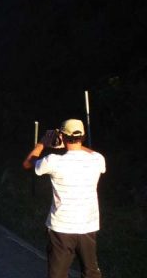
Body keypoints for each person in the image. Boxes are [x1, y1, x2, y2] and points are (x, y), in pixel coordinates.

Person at [22, 119, 106, 278]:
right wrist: (74, 145)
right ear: (83, 136)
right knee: (91, 272)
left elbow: (27, 163)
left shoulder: (53, 161)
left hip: (61, 228)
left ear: (62, 135)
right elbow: (89, 152)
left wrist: (42, 143)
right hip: (88, 226)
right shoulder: (98, 159)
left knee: (58, 274)